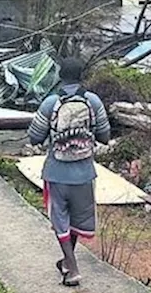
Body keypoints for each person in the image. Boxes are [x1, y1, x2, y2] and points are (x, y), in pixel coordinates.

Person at [27, 57, 110, 287]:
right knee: (75, 220)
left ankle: (72, 268)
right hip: (85, 174)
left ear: (60, 77)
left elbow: (34, 137)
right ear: (82, 76)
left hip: (56, 174)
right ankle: (66, 261)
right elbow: (104, 135)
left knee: (60, 220)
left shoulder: (50, 103)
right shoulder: (93, 101)